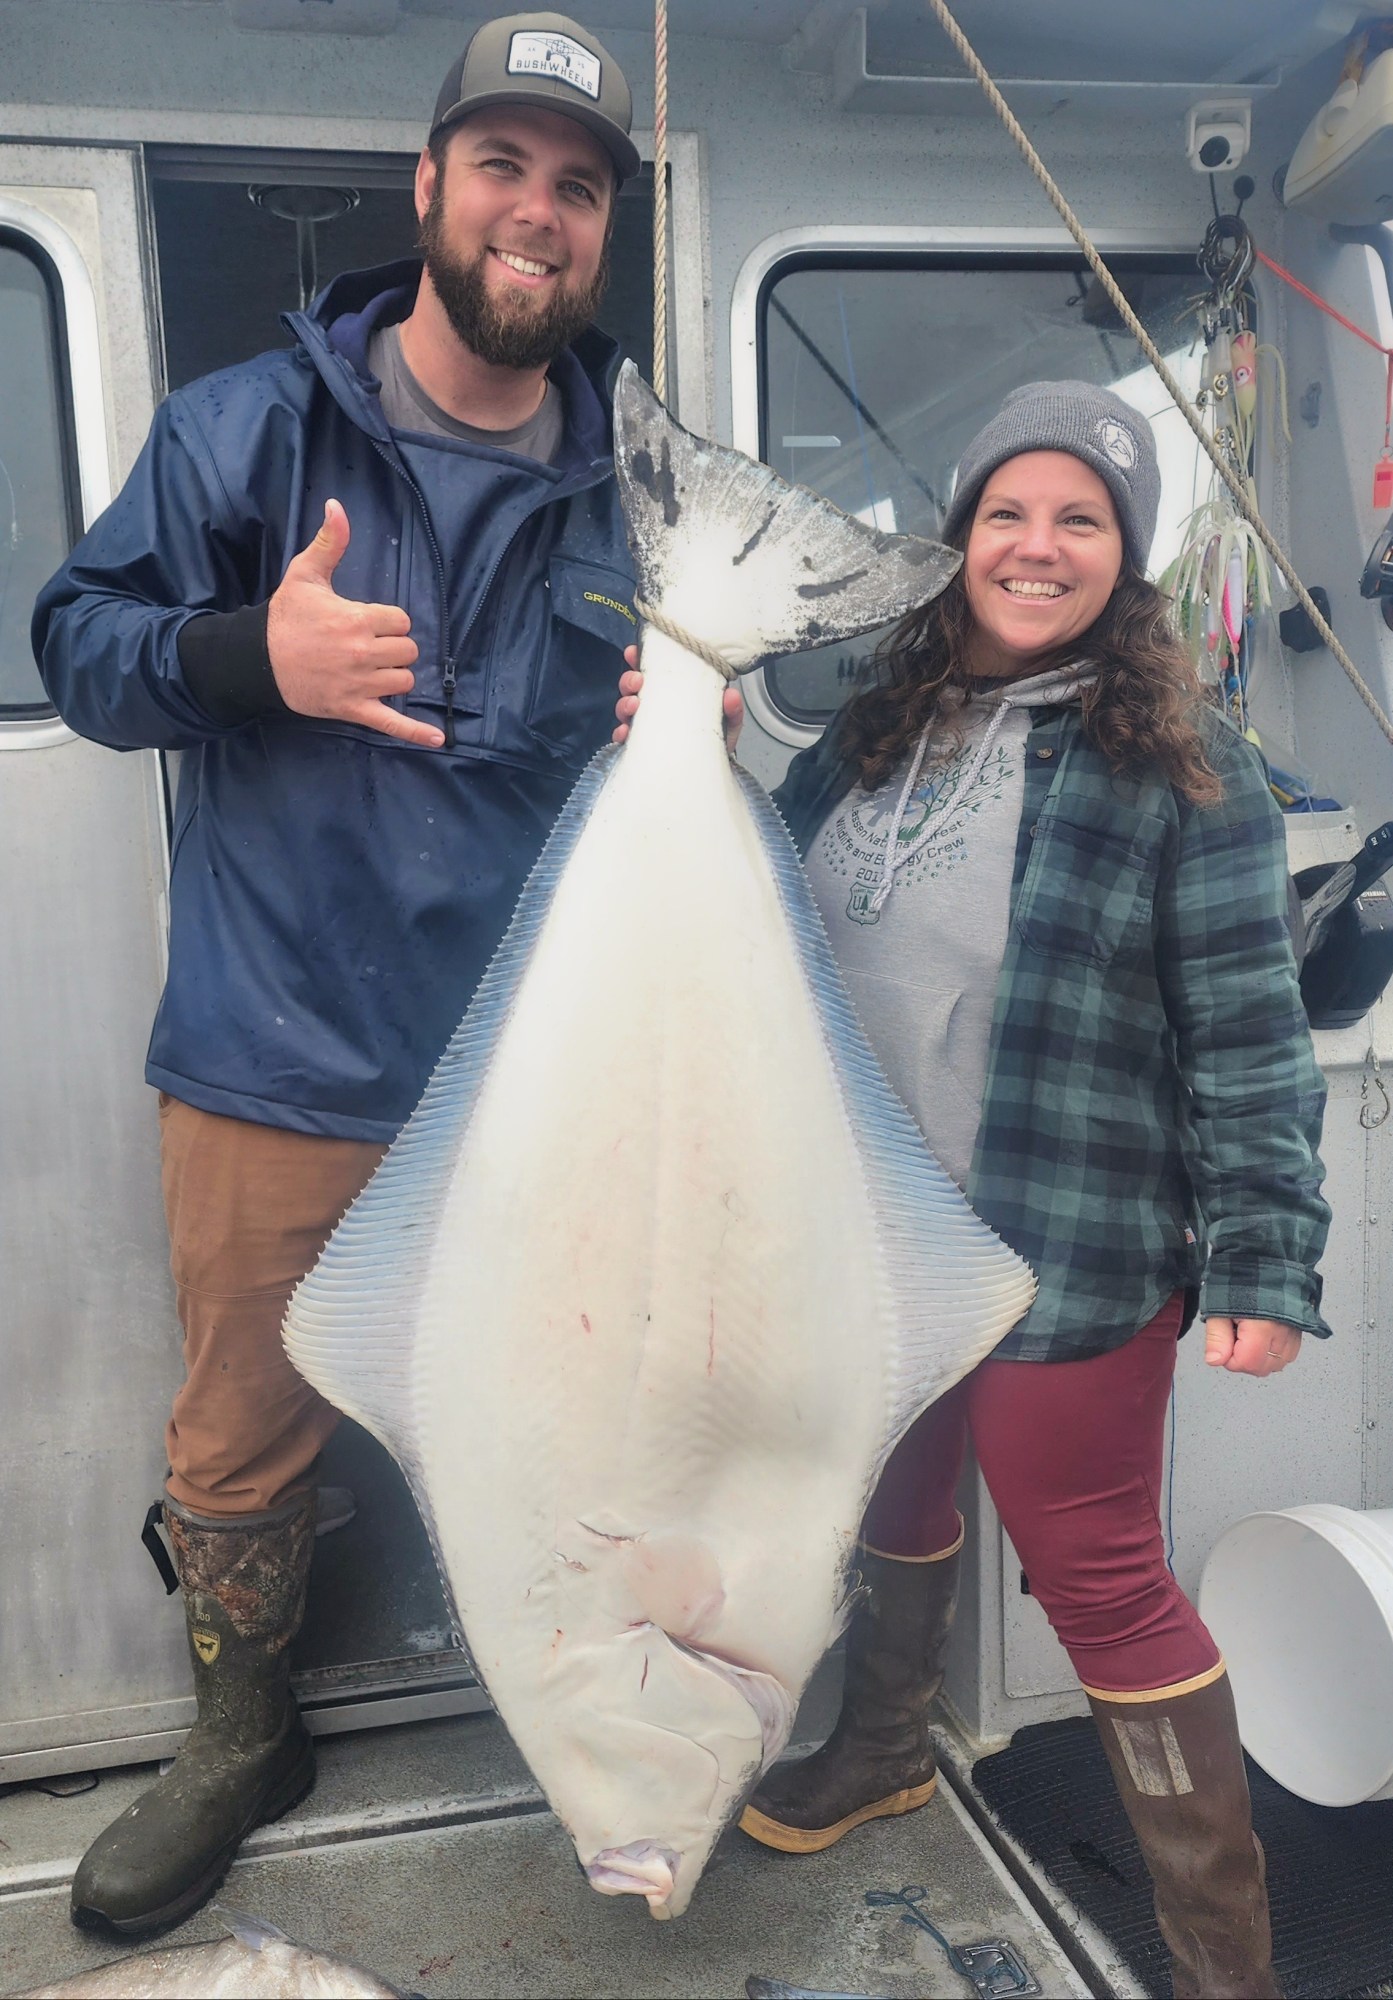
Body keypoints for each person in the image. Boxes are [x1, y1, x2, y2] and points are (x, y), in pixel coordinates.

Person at [33, 10, 642, 1938]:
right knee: (240, 1434)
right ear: (428, 184)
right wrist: (249, 659)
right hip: (274, 1055)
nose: (535, 212)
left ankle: (579, 1717)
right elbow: (77, 645)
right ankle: (243, 1739)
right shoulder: (243, 429)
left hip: (527, 1081)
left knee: (563, 1414)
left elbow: (656, 794)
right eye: (503, 166)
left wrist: (683, 737)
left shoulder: (641, 492)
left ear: (603, 228)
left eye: (576, 185)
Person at [615, 379, 1328, 2000]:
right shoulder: (875, 728)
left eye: (1080, 518)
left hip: (1058, 1248)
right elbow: (768, 906)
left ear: (1123, 556)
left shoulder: (1186, 767)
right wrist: (696, 766)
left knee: (1101, 1585)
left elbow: (1248, 1033)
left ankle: (1225, 1966)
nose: (1035, 545)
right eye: (1006, 511)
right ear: (958, 537)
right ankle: (882, 1748)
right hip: (866, 1235)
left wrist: (1262, 1262)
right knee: (886, 1498)